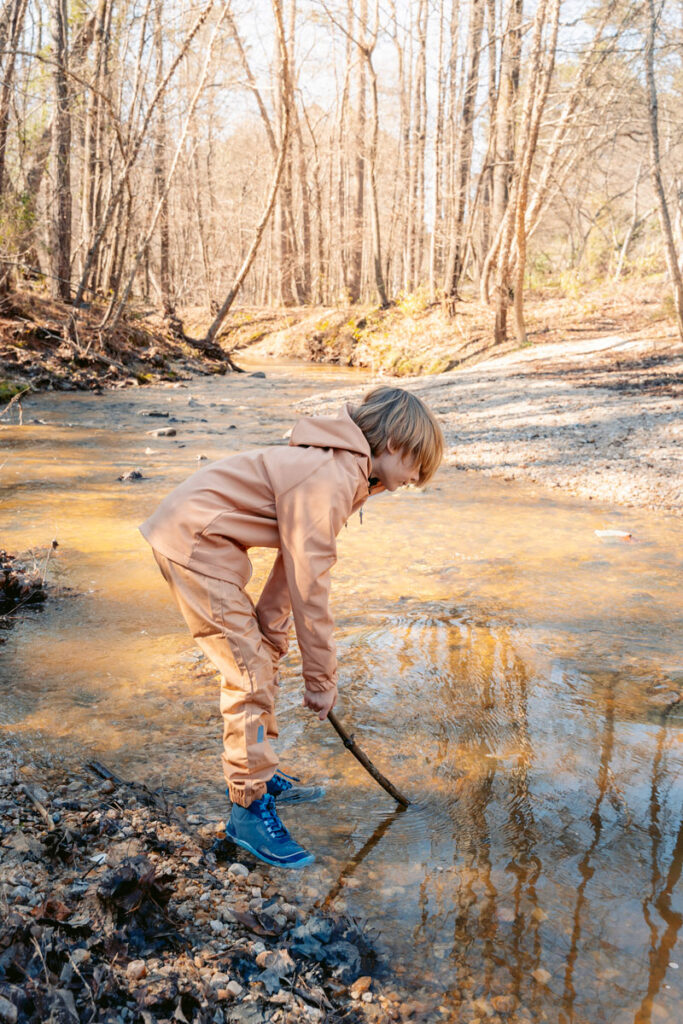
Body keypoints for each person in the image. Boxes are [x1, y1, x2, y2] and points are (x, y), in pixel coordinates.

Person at [140, 386, 444, 868]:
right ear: (394, 447)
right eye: (416, 468)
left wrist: (272, 634)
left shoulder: (342, 467)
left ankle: (259, 770)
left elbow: (290, 563)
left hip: (204, 541)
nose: (413, 480)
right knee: (249, 676)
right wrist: (322, 679)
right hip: (194, 546)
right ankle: (247, 807)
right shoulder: (331, 477)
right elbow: (311, 584)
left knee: (260, 657)